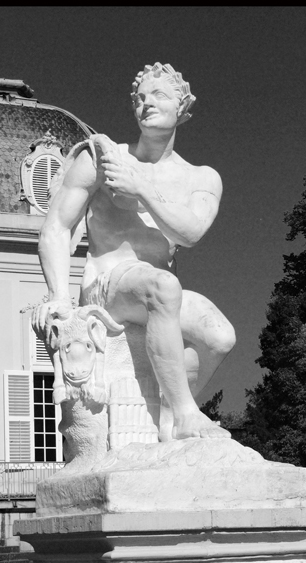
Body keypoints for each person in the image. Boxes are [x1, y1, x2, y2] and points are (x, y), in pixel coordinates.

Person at [33, 62, 236, 440]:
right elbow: (56, 228)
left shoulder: (201, 178)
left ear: (183, 107)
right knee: (164, 287)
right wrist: (58, 296)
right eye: (140, 98)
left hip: (154, 289)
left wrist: (142, 189)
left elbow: (191, 232)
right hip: (105, 285)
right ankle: (185, 415)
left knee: (219, 337)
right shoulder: (101, 157)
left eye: (159, 95)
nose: (147, 103)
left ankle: (165, 416)